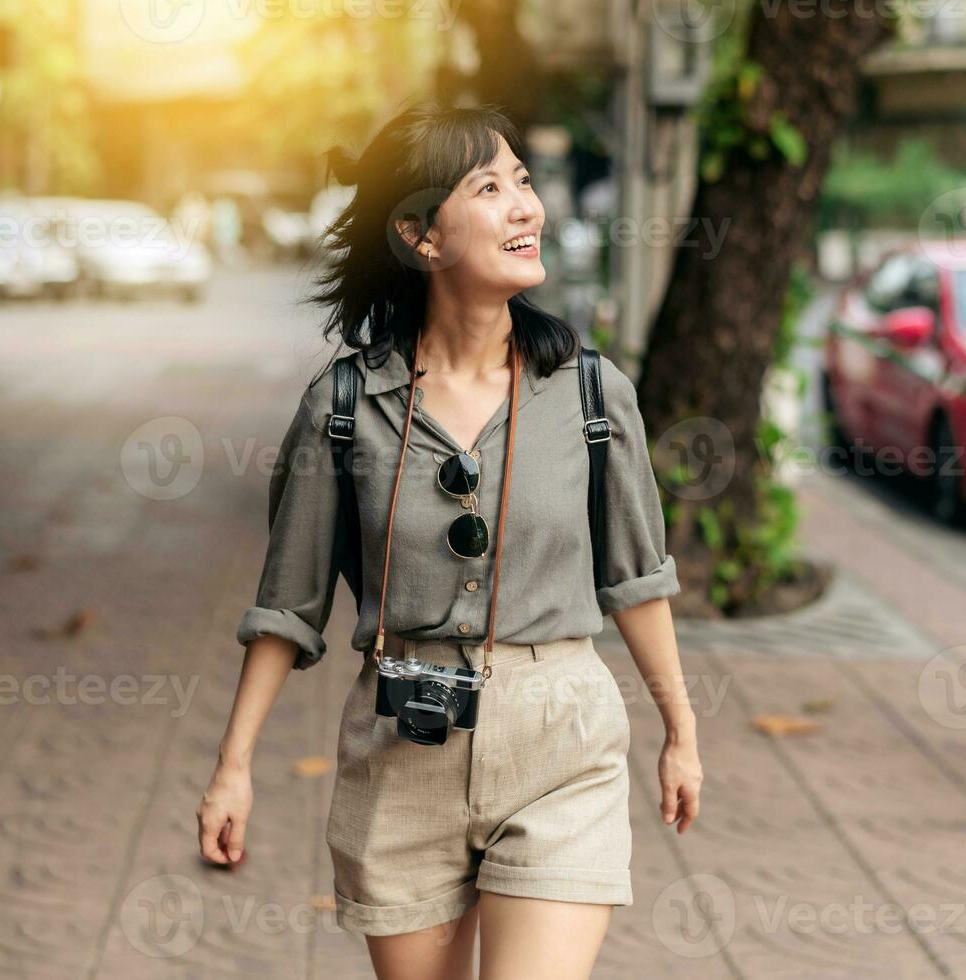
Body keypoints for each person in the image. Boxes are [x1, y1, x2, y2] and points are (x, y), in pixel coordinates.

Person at [196, 102, 702, 980]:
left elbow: (637, 577)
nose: (527, 207)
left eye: (526, 183)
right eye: (491, 186)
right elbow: (288, 603)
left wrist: (681, 729)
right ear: (420, 235)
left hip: (561, 744)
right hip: (402, 755)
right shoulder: (344, 408)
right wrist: (232, 768)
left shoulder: (589, 394)